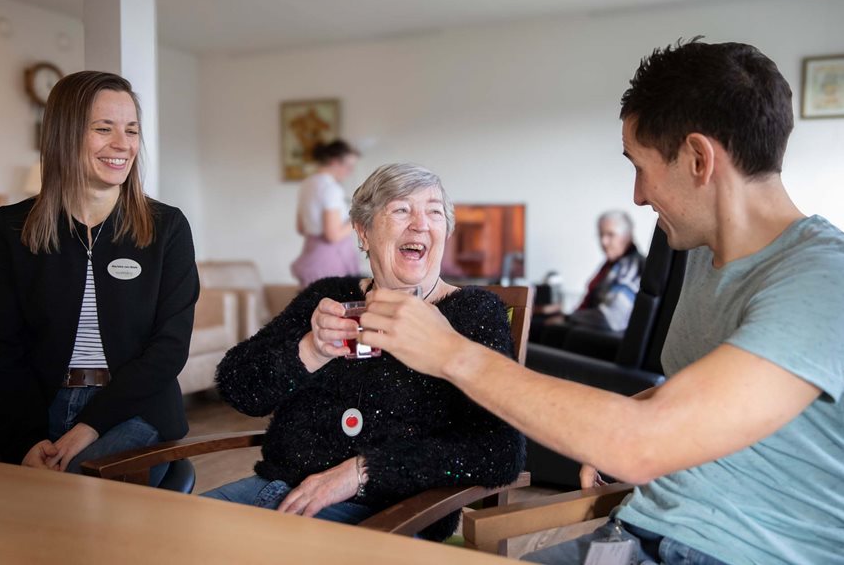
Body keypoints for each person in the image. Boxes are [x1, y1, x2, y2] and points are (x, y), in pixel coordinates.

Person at [360, 39, 844, 564]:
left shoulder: (822, 282)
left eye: (640, 165)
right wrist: (626, 413)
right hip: (637, 530)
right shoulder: (706, 254)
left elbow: (641, 447)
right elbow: (710, 403)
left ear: (699, 159)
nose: (637, 194)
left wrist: (450, 352)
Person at [204, 163, 524, 541]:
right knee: (157, 538)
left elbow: (500, 451)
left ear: (446, 231)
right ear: (362, 231)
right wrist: (311, 350)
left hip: (389, 519)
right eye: (401, 209)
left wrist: (362, 472)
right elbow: (237, 386)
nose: (421, 224)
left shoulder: (472, 314)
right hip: (271, 494)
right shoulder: (328, 297)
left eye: (435, 212)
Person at [0, 71, 199, 487]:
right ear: (64, 134)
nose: (123, 144)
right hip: (36, 403)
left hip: (135, 408)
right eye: (104, 129)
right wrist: (28, 441)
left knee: (71, 490)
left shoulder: (166, 227)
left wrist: (89, 426)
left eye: (131, 130)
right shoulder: (12, 228)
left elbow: (169, 349)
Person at [531, 210, 644, 343]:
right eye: (601, 235)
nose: (603, 242)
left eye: (610, 235)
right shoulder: (613, 264)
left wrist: (568, 318)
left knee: (534, 326)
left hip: (592, 337)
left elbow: (610, 318)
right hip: (585, 327)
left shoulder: (631, 268)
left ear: (627, 236)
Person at [291, 139, 361, 287]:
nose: (350, 172)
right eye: (349, 166)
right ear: (335, 162)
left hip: (310, 253)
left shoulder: (306, 185)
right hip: (329, 261)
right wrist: (357, 216)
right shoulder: (331, 189)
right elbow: (333, 235)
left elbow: (301, 227)